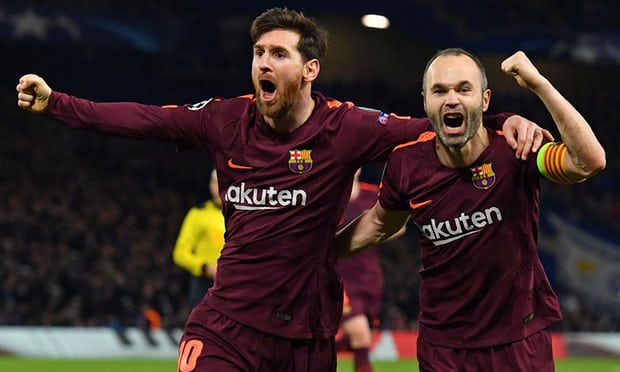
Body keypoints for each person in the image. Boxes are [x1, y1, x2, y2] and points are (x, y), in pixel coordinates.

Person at [16, 7, 550, 371]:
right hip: (227, 322)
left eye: (278, 54)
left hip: (308, 336)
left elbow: (439, 122)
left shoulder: (347, 129)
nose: (263, 64)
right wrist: (58, 103)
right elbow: (144, 119)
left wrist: (504, 120)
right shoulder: (225, 121)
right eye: (258, 53)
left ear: (310, 68)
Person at [336, 49, 606, 371]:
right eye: (440, 90)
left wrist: (538, 84)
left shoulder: (515, 149)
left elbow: (589, 161)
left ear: (485, 99)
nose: (452, 99)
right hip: (443, 348)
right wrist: (316, 253)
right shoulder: (405, 165)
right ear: (425, 101)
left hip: (518, 340)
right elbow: (380, 224)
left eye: (464, 89)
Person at [335, 168, 405, 372]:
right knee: (361, 335)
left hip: (369, 278)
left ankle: (321, 351)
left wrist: (370, 234)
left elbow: (398, 226)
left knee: (360, 338)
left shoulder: (373, 194)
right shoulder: (329, 193)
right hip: (339, 279)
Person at [173, 169, 224, 307]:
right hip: (204, 284)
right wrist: (204, 267)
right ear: (210, 185)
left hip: (235, 283)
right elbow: (180, 253)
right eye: (215, 182)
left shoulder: (241, 215)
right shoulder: (198, 214)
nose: (219, 187)